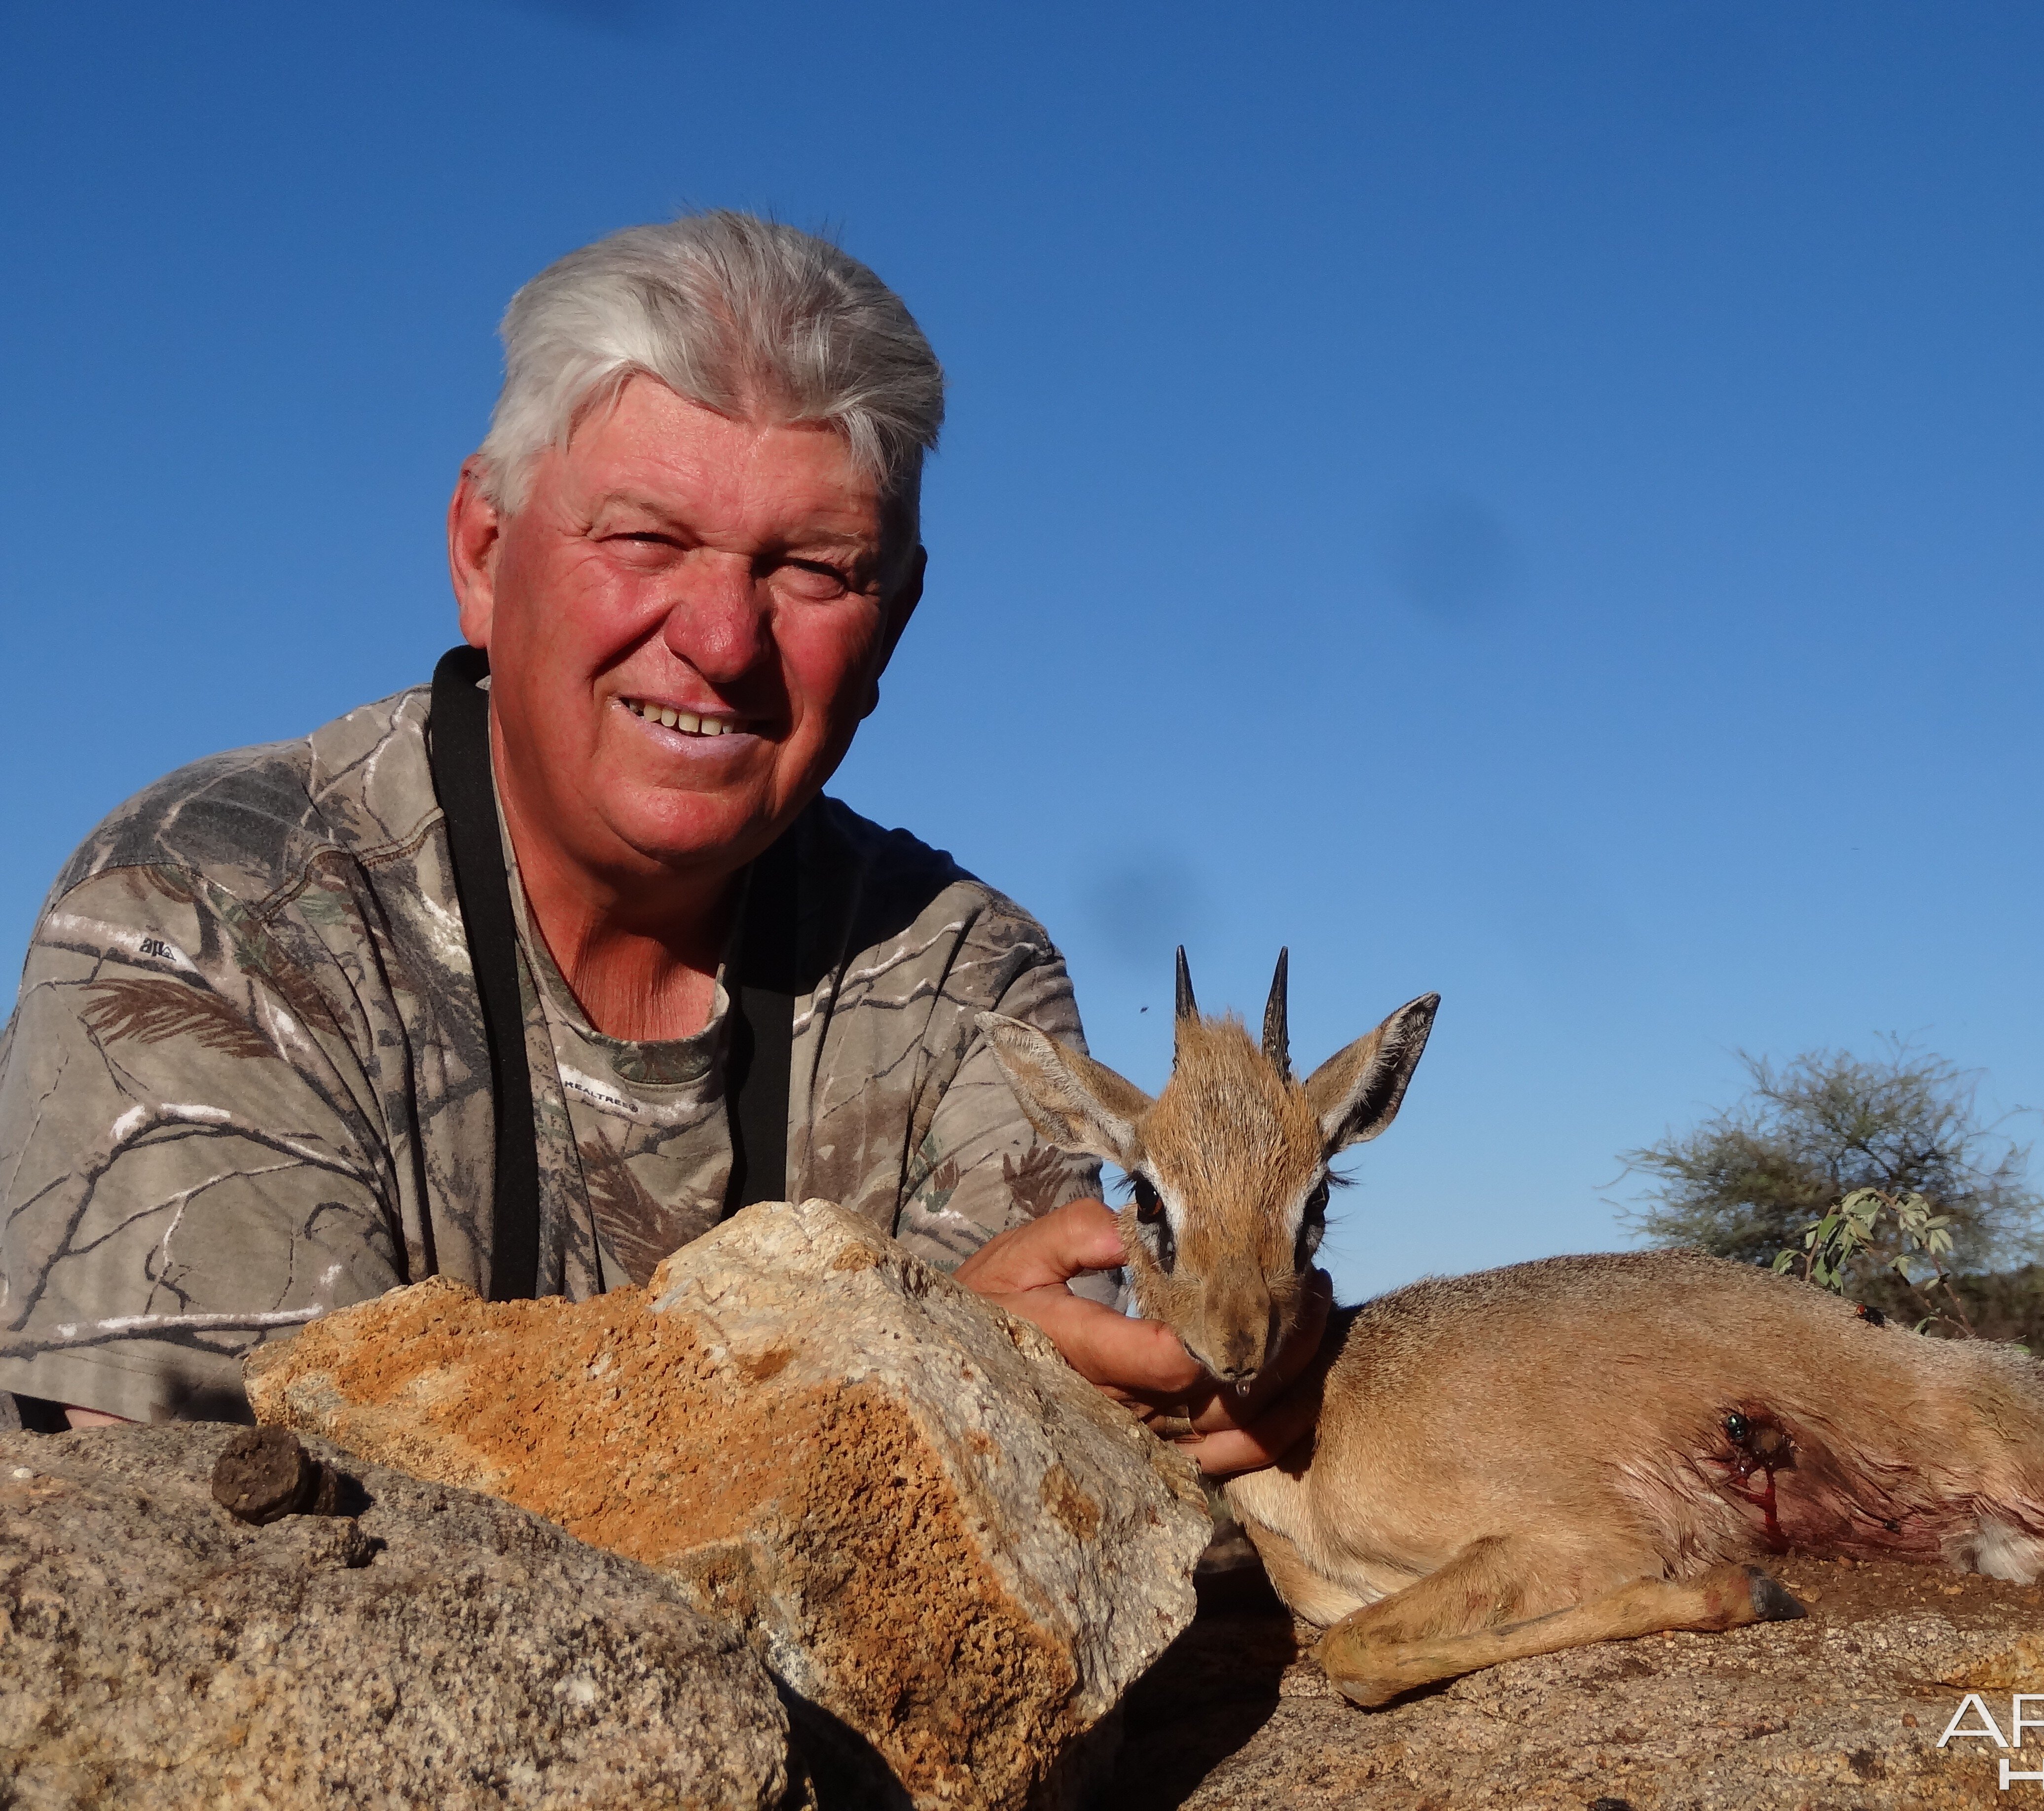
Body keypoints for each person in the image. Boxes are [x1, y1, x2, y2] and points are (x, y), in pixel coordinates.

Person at [0, 212, 1321, 1474]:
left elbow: (1051, 1465)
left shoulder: (961, 986)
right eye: (645, 540)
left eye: (814, 567)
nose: (725, 642)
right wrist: (915, 1388)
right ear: (483, 547)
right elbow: (258, 1556)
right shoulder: (207, 913)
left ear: (896, 623)